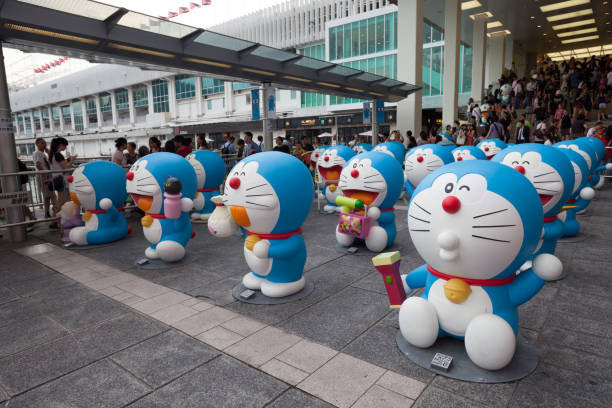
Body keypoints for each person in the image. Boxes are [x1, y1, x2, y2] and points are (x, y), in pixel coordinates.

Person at [32, 137, 56, 221]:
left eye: (45, 143)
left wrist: (46, 149)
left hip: (46, 175)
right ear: (37, 144)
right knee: (50, 195)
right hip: (43, 176)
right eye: (41, 143)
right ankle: (53, 212)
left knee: (48, 195)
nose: (44, 144)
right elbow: (38, 165)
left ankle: (48, 212)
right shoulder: (37, 153)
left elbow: (51, 158)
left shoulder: (43, 153)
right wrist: (45, 175)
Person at [49, 137, 76, 210]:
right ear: (60, 145)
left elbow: (59, 165)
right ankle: (55, 217)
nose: (66, 147)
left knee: (61, 200)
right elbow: (66, 167)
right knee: (62, 201)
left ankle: (57, 218)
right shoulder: (58, 155)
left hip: (57, 179)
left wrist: (67, 160)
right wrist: (72, 160)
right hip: (62, 180)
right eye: (65, 145)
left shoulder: (53, 154)